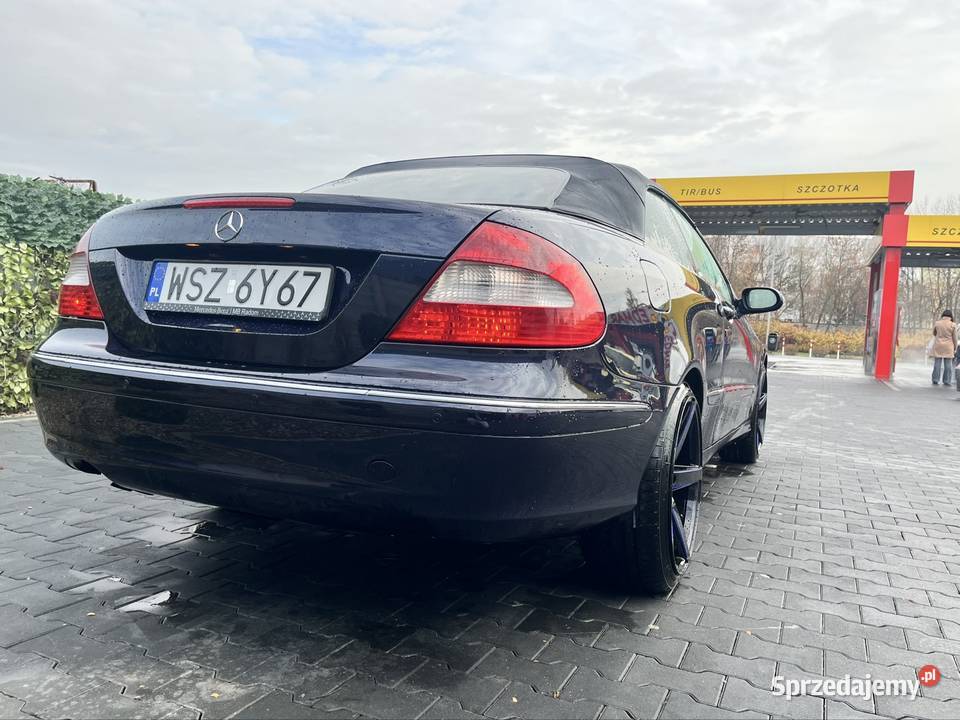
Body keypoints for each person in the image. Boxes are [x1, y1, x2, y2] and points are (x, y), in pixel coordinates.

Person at [932, 310, 957, 386]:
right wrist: (955, 347)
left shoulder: (937, 323)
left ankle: (935, 379)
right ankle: (947, 381)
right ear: (951, 316)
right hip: (948, 346)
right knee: (948, 364)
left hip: (938, 345)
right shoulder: (953, 325)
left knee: (937, 363)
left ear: (943, 315)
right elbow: (955, 338)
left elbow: (934, 333)